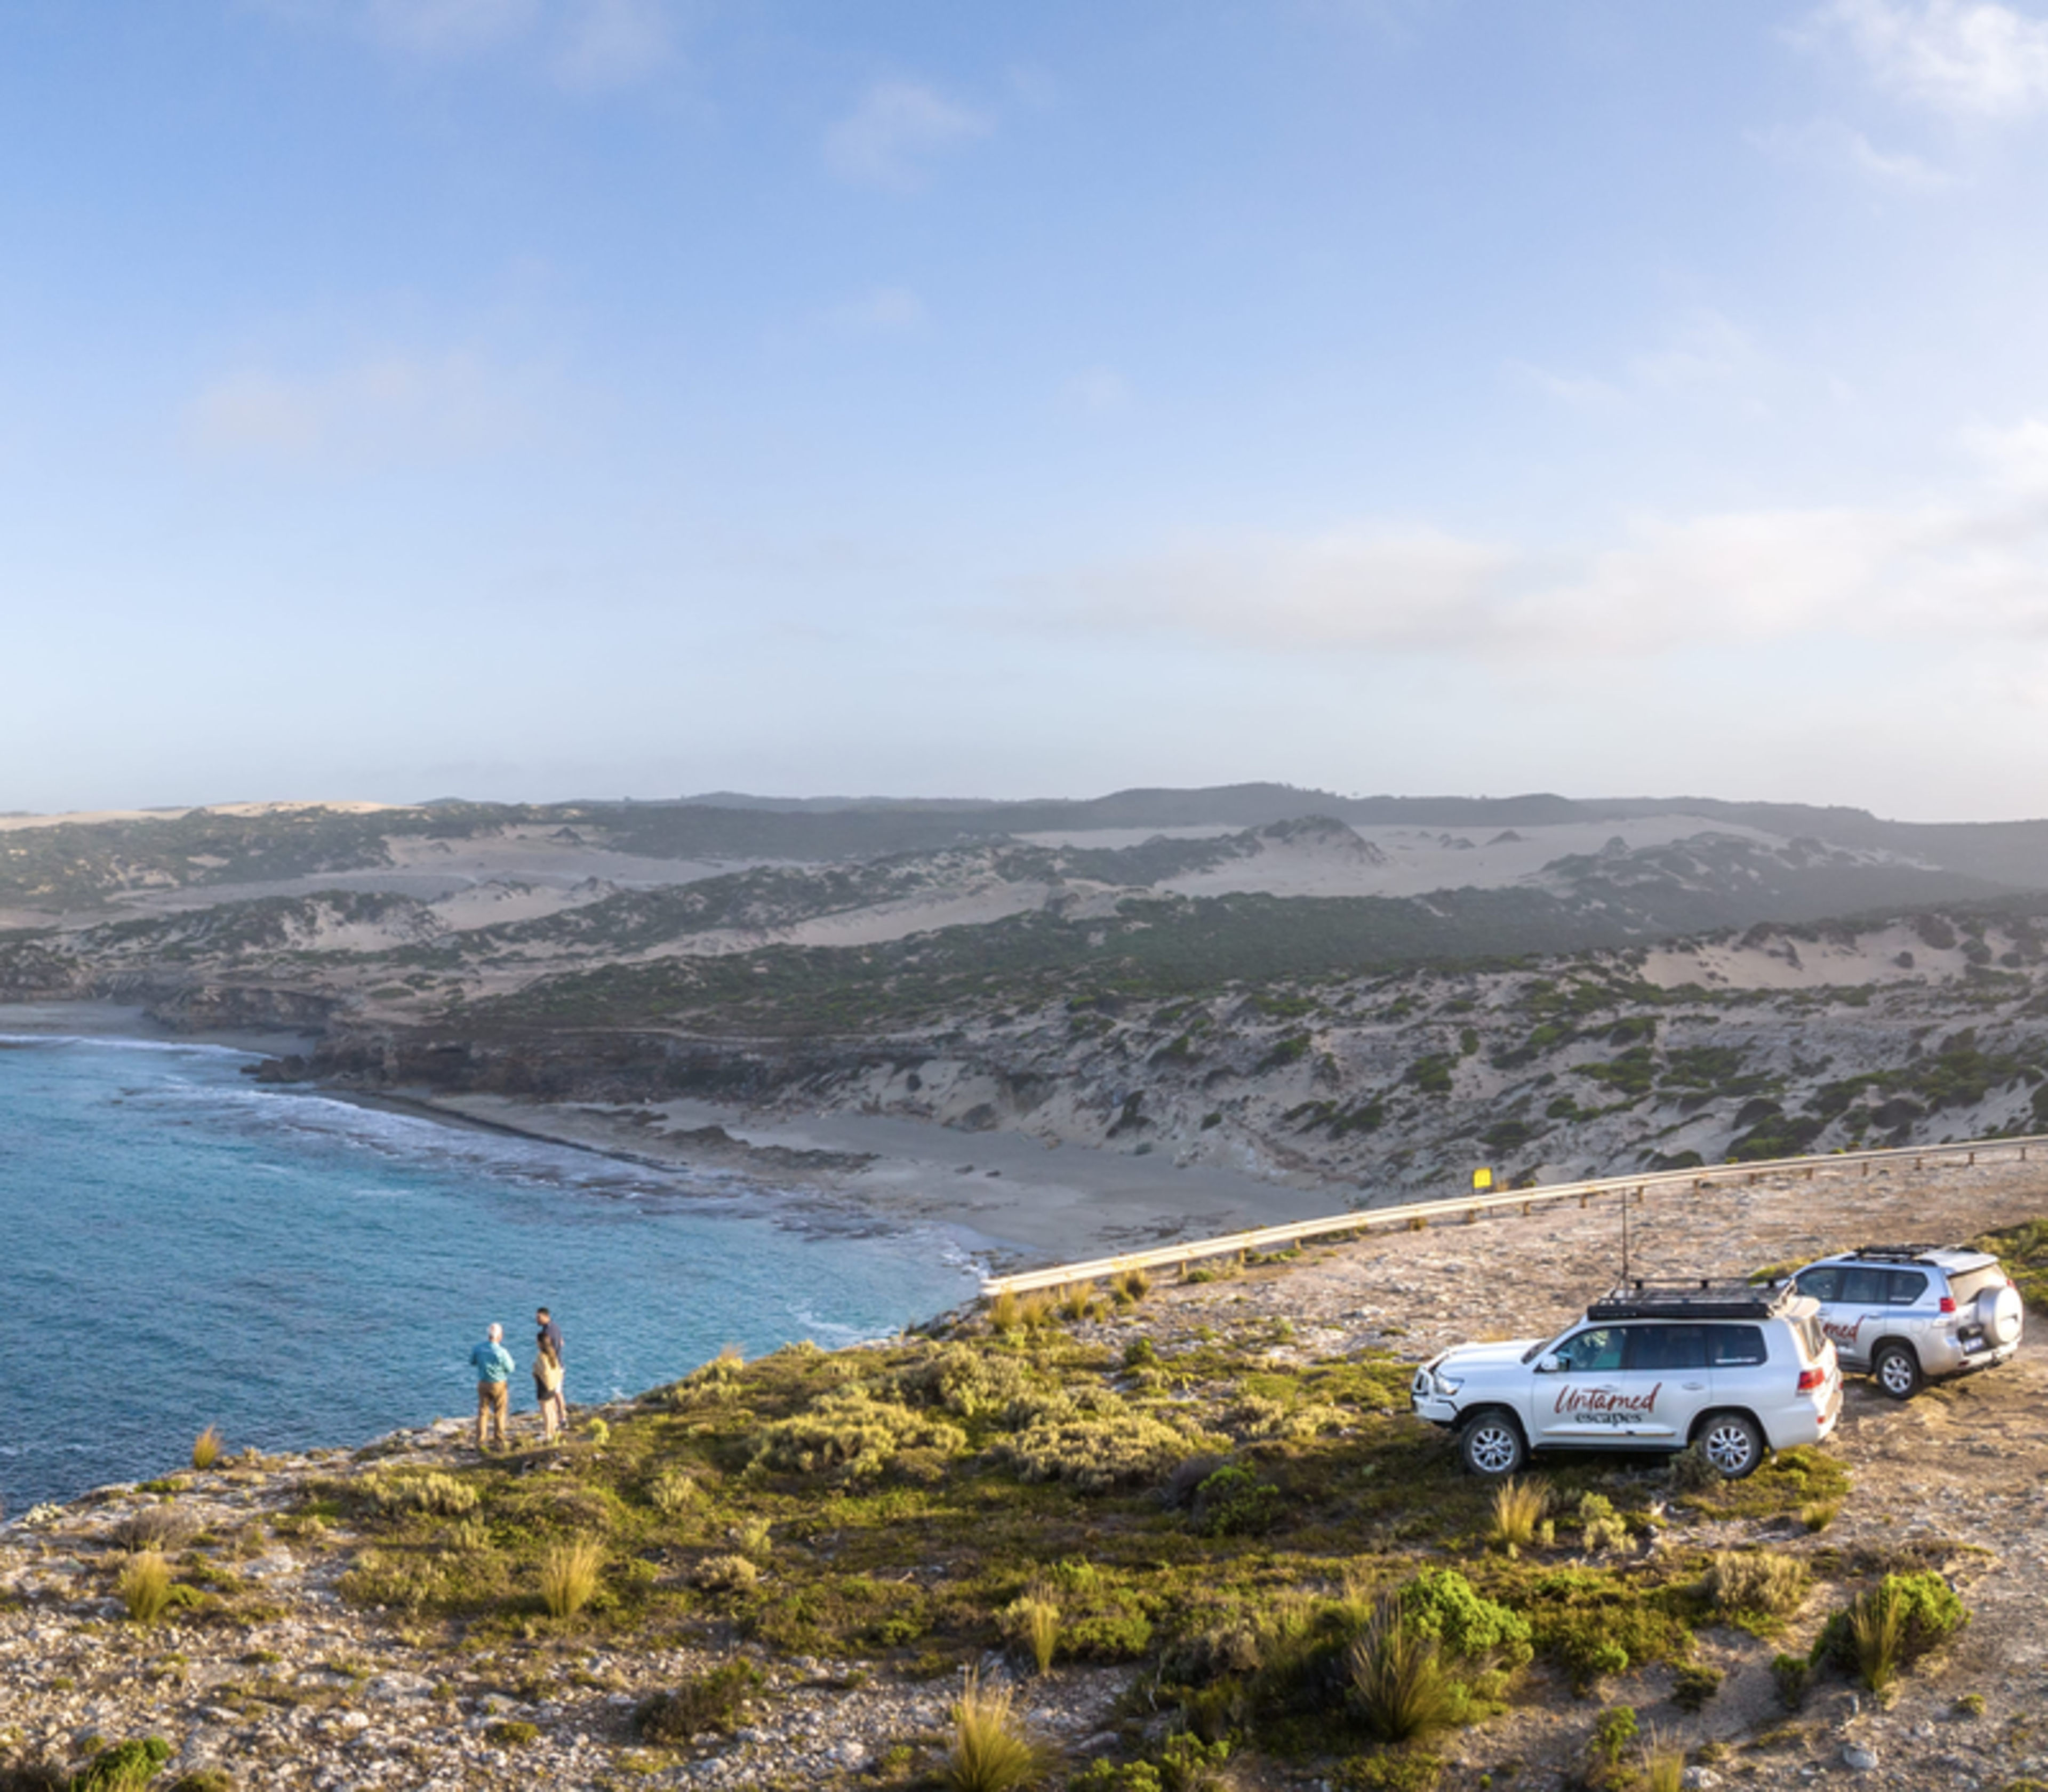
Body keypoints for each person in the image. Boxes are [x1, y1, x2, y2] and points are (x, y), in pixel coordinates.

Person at [470, 1323, 515, 1452]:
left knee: (483, 1413)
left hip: (483, 1382)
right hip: (499, 1384)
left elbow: (472, 1361)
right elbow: (511, 1368)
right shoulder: (501, 1352)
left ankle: (480, 1441)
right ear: (500, 1336)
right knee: (499, 1413)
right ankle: (499, 1441)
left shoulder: (478, 1349)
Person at [535, 1307, 567, 1436]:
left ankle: (560, 1420)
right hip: (558, 1364)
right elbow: (562, 1343)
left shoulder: (548, 1332)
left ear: (546, 1316)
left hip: (554, 1367)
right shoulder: (555, 1327)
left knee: (555, 1394)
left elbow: (553, 1348)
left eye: (539, 1317)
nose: (537, 1320)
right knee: (557, 1393)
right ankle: (561, 1418)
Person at [534, 1335, 566, 1442]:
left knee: (546, 1410)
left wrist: (536, 1371)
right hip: (553, 1385)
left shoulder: (541, 1356)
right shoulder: (552, 1353)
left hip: (544, 1385)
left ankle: (548, 1434)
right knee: (552, 1409)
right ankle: (552, 1431)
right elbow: (556, 1369)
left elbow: (544, 1371)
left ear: (540, 1343)